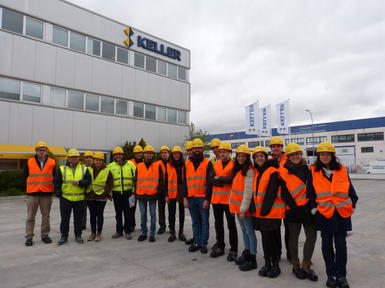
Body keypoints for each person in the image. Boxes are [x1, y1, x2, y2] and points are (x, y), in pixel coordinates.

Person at [307, 142, 358, 288]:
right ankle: (331, 274)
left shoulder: (341, 170)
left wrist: (352, 203)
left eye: (327, 154)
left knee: (341, 245)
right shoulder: (313, 171)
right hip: (324, 214)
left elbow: (350, 189)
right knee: (326, 244)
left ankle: (341, 275)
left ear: (332, 155)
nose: (324, 156)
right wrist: (313, 208)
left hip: (341, 214)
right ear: (318, 156)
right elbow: (310, 193)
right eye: (322, 154)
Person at [280, 143, 318, 281]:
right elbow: (284, 193)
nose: (295, 156)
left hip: (308, 209)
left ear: (300, 155)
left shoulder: (308, 169)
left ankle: (306, 265)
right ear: (288, 157)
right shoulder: (283, 171)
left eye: (297, 154)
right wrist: (295, 207)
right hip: (293, 210)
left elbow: (313, 189)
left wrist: (310, 205)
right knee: (293, 238)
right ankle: (296, 265)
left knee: (312, 237)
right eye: (292, 155)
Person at [252, 146, 283, 278]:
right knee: (265, 240)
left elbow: (271, 192)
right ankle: (267, 263)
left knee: (271, 240)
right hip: (261, 212)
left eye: (261, 156)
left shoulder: (272, 171)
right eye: (257, 156)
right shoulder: (257, 172)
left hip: (271, 212)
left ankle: (275, 266)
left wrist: (264, 211)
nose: (259, 158)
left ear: (266, 157)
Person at [55, 148, 91, 245]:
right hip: (65, 199)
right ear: (68, 158)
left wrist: (79, 183)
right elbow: (57, 183)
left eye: (76, 157)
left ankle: (78, 235)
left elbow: (88, 181)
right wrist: (59, 195)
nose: (74, 158)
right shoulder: (62, 169)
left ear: (78, 158)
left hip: (79, 199)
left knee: (78, 219)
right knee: (65, 219)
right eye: (72, 157)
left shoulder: (84, 169)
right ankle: (64, 236)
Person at [228, 145, 256, 271]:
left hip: (244, 209)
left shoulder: (249, 171)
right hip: (237, 208)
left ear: (247, 157)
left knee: (250, 232)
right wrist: (233, 208)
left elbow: (248, 192)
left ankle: (253, 258)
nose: (240, 158)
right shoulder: (238, 170)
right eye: (239, 156)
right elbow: (234, 191)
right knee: (244, 231)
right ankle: (247, 252)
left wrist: (243, 210)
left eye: (243, 156)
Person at [24, 141, 56, 246]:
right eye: (39, 150)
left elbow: (55, 177)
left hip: (46, 194)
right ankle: (29, 237)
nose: (42, 152)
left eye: (43, 150)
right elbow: (25, 176)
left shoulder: (52, 162)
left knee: (46, 216)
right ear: (36, 151)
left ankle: (45, 235)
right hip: (32, 193)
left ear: (46, 151)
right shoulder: (30, 161)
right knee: (30, 216)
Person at [184, 138, 213, 254]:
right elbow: (185, 182)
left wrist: (207, 199)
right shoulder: (187, 163)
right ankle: (196, 242)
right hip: (191, 198)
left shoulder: (207, 163)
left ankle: (203, 243)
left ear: (202, 149)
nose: (196, 150)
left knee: (204, 221)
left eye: (199, 148)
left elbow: (210, 183)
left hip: (202, 198)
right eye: (195, 148)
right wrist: (185, 197)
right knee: (195, 222)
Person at [210, 142, 238, 261]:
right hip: (216, 200)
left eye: (224, 152)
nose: (222, 154)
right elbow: (211, 179)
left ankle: (234, 249)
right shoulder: (215, 164)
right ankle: (220, 246)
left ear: (229, 153)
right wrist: (222, 180)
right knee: (218, 224)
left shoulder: (233, 165)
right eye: (220, 152)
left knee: (231, 225)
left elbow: (231, 180)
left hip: (228, 201)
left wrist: (219, 179)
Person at [108, 146, 136, 240]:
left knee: (128, 213)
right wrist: (109, 193)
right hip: (116, 193)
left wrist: (134, 192)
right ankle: (119, 231)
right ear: (114, 156)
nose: (118, 156)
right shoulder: (110, 166)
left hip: (128, 193)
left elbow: (136, 179)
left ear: (122, 155)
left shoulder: (130, 165)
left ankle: (128, 231)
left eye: (119, 154)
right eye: (116, 154)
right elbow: (108, 181)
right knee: (118, 213)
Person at [269, 136, 290, 261]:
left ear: (282, 147)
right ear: (271, 148)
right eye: (273, 146)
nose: (276, 148)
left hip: (288, 199)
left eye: (278, 146)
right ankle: (277, 253)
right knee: (275, 229)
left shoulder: (290, 159)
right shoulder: (268, 161)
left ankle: (290, 253)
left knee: (289, 229)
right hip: (275, 201)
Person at [135, 145, 162, 242]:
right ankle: (143, 233)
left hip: (152, 195)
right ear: (144, 154)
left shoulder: (157, 165)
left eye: (150, 153)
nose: (149, 154)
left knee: (153, 214)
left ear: (153, 154)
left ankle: (152, 234)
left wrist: (157, 193)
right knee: (143, 214)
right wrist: (136, 193)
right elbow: (136, 180)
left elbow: (161, 181)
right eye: (147, 153)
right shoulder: (139, 166)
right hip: (141, 194)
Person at [85, 152, 113, 242]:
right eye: (96, 160)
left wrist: (106, 193)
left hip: (101, 196)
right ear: (94, 160)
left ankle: (99, 233)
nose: (98, 162)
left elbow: (110, 183)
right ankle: (93, 233)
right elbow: (85, 180)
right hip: (90, 195)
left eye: (100, 160)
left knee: (99, 215)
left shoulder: (107, 171)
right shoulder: (88, 169)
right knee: (92, 215)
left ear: (102, 161)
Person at [165, 146, 187, 242]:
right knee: (171, 213)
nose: (176, 155)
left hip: (182, 190)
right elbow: (165, 181)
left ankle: (181, 232)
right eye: (174, 154)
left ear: (180, 155)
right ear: (172, 155)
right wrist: (166, 195)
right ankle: (172, 233)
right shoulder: (168, 165)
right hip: (171, 191)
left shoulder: (184, 165)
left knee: (182, 212)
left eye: (178, 154)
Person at [129, 145, 144, 233]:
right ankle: (131, 225)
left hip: (142, 190)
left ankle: (143, 226)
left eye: (140, 153)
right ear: (134, 154)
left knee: (143, 210)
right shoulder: (130, 162)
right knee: (131, 209)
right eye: (137, 153)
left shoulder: (145, 162)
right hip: (132, 191)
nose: (138, 154)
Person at [156, 145, 169, 234]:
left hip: (171, 190)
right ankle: (162, 226)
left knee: (171, 210)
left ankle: (171, 226)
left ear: (168, 153)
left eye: (165, 152)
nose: (164, 154)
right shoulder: (157, 164)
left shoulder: (173, 162)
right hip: (160, 191)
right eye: (162, 153)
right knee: (161, 210)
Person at [82, 151, 94, 230]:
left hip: (93, 193)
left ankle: (94, 225)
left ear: (92, 159)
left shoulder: (96, 168)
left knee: (93, 211)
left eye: (90, 158)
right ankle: (83, 225)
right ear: (84, 159)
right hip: (83, 193)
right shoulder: (81, 168)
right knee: (83, 210)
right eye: (87, 158)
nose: (88, 159)